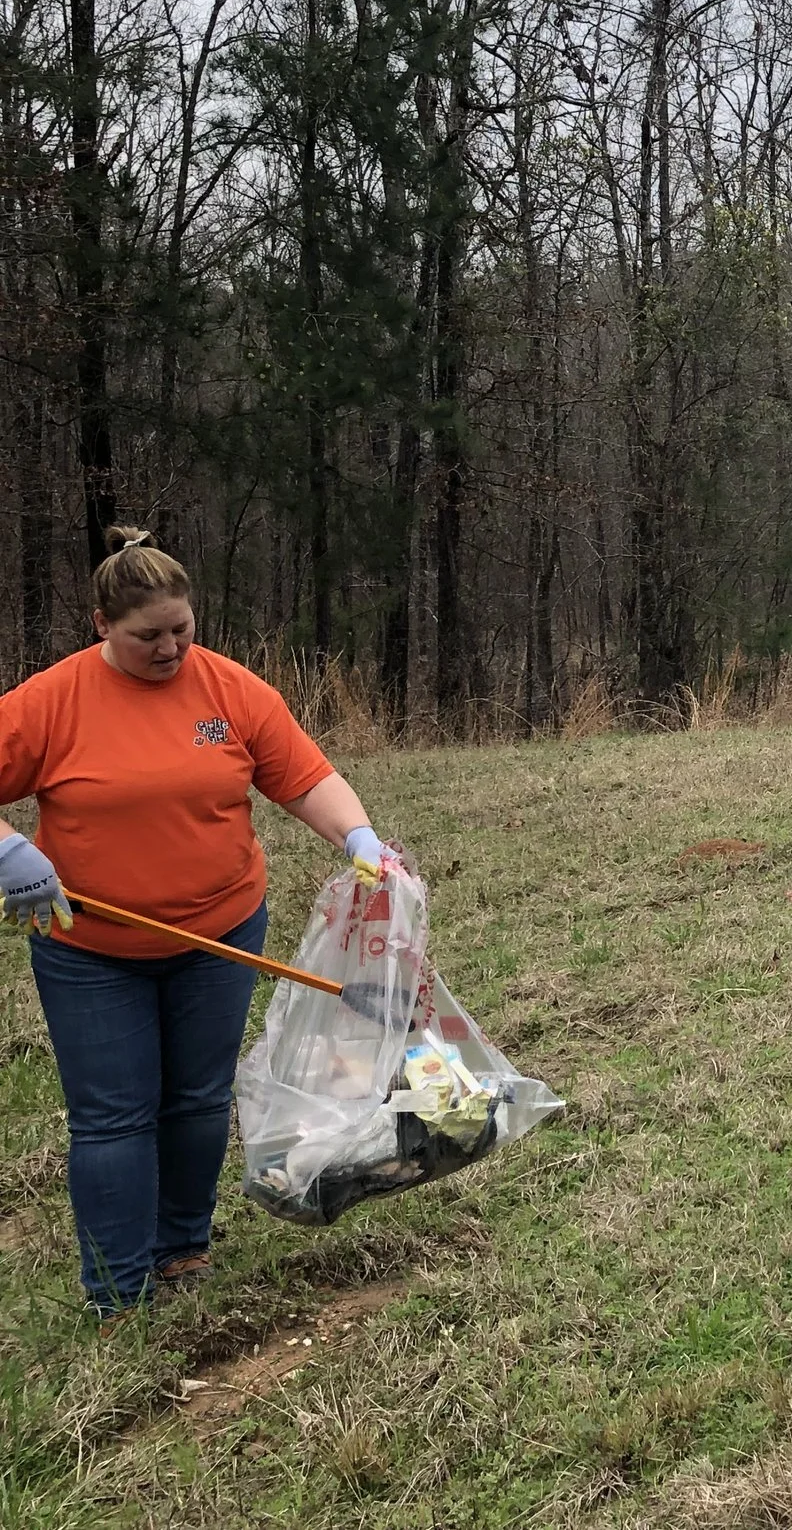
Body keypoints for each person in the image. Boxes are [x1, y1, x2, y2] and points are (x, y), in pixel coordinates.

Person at [0, 529, 397, 1314]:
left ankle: (183, 1248)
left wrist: (358, 835)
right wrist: (10, 850)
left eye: (182, 628)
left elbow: (303, 774)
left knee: (197, 1098)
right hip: (91, 949)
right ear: (101, 625)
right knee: (114, 1115)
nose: (171, 648)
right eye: (148, 635)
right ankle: (118, 1290)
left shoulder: (229, 690)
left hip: (220, 934)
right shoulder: (51, 701)